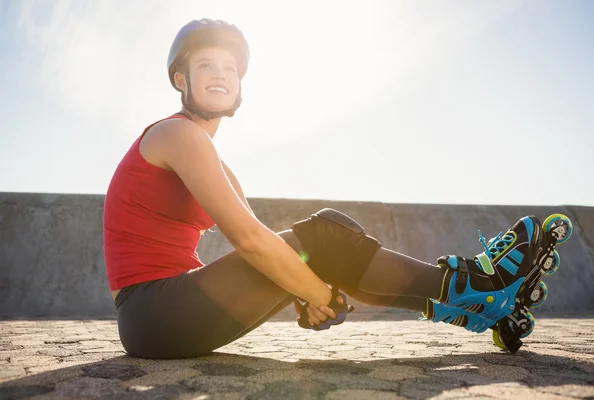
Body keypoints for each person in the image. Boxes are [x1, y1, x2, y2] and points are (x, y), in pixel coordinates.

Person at [103, 18, 550, 359]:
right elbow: (253, 242)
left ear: (240, 83)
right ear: (181, 79)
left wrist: (310, 293)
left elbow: (271, 249)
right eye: (205, 66)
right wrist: (321, 297)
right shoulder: (176, 135)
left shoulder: (213, 160)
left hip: (164, 317)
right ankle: (479, 284)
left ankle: (479, 308)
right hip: (153, 313)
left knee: (330, 239)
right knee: (323, 240)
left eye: (230, 68)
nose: (220, 75)